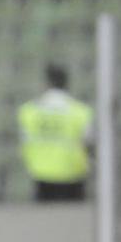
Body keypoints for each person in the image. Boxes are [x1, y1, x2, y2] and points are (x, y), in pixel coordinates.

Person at [18, 63, 94, 202]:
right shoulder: (81, 112)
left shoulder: (29, 111)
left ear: (47, 83)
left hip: (41, 173)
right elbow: (89, 142)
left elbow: (25, 140)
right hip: (73, 173)